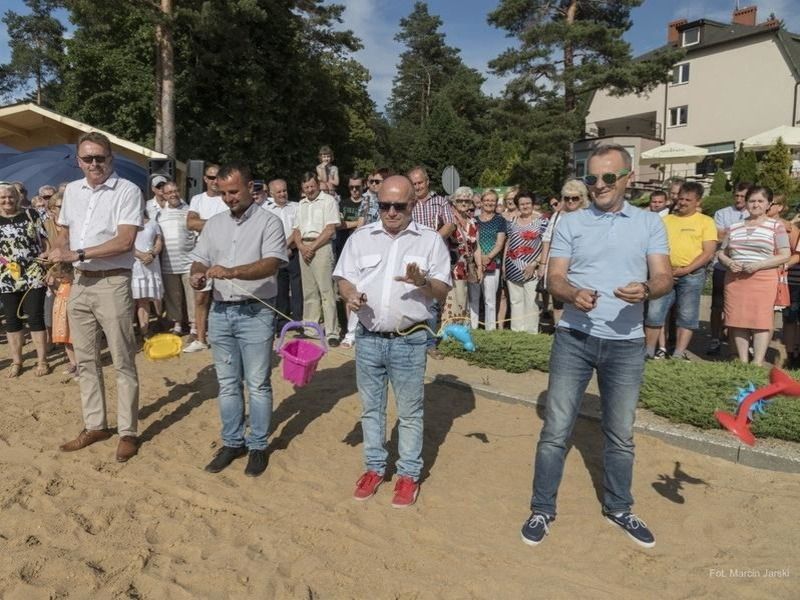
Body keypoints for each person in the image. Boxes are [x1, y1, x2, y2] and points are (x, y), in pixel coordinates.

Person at [521, 144, 672, 549]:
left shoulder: (649, 223)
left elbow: (664, 277)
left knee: (621, 434)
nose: (599, 185)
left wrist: (646, 288)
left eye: (608, 177)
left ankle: (620, 507)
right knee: (555, 430)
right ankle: (541, 508)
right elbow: (554, 278)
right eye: (591, 178)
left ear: (628, 177)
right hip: (574, 338)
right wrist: (572, 294)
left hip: (625, 344)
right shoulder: (572, 222)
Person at [333, 175, 452, 508]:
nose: (391, 212)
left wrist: (424, 282)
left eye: (399, 206)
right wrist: (350, 294)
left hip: (410, 340)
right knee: (371, 411)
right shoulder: (361, 238)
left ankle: (408, 475)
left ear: (412, 204)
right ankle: (374, 468)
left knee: (410, 413)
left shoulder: (429, 241)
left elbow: (442, 290)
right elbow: (343, 277)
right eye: (385, 205)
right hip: (369, 338)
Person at [49, 131, 143, 462]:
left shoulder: (128, 190)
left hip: (113, 281)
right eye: (87, 158)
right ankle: (95, 425)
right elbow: (64, 232)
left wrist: (79, 254)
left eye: (99, 157)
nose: (94, 164)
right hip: (79, 283)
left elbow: (125, 241)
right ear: (78, 161)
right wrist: (58, 252)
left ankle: (128, 431)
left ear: (110, 158)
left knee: (122, 359)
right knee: (85, 360)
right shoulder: (72, 191)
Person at [190, 163, 287, 477]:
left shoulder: (269, 222)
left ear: (250, 188)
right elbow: (200, 260)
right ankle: (233, 441)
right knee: (228, 384)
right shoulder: (214, 224)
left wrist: (231, 271)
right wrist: (196, 277)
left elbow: (272, 263)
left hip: (255, 312)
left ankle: (257, 444)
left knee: (257, 383)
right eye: (223, 193)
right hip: (220, 311)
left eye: (234, 192)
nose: (228, 198)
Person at [717, 186, 790, 366]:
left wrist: (759, 265)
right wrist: (728, 262)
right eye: (752, 201)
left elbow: (785, 254)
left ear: (768, 204)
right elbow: (721, 252)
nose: (755, 204)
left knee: (761, 321)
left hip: (763, 279)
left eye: (760, 201)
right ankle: (742, 361)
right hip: (735, 280)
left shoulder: (776, 226)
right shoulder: (734, 227)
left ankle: (757, 363)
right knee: (737, 320)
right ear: (746, 203)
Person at [644, 182, 717, 360]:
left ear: (697, 201)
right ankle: (649, 351)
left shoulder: (706, 222)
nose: (682, 202)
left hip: (692, 275)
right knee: (655, 313)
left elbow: (708, 252)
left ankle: (678, 354)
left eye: (687, 199)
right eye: (681, 198)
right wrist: (667, 270)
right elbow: (654, 247)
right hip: (664, 274)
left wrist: (685, 270)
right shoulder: (665, 220)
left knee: (687, 315)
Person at [0, 182, 49, 378]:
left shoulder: (31, 214)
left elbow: (45, 241)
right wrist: (5, 262)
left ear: (17, 197)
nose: (7, 200)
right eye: (3, 197)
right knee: (12, 320)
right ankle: (17, 361)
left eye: (10, 196)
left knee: (35, 317)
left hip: (33, 272)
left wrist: (46, 258)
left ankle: (42, 360)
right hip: (6, 276)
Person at [408, 166, 454, 358]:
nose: (417, 186)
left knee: (433, 302)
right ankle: (410, 340)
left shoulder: (440, 202)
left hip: (434, 256)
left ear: (427, 182)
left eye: (420, 182)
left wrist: (432, 239)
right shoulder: (407, 203)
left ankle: (430, 343)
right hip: (411, 255)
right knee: (410, 298)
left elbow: (450, 225)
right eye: (414, 183)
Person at [293, 172, 341, 345]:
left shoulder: (328, 201)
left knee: (327, 291)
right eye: (306, 187)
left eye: (312, 186)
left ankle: (332, 332)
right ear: (302, 188)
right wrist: (301, 247)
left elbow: (330, 229)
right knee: (309, 291)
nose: (309, 190)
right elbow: (296, 230)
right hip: (303, 247)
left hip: (321, 247)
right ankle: (311, 329)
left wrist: (311, 248)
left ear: (317, 184)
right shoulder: (301, 204)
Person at [186, 163, 226, 352]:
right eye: (210, 177)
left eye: (217, 177)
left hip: (226, 252)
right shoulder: (197, 199)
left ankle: (224, 337)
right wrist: (218, 224)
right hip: (204, 252)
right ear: (205, 179)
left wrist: (205, 224)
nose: (214, 181)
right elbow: (191, 223)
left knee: (225, 296)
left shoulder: (227, 198)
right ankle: (201, 339)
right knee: (201, 296)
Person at [538, 180, 590, 325]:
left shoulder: (589, 216)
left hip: (579, 265)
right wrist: (542, 264)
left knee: (579, 300)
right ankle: (559, 331)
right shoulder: (557, 216)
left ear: (582, 198)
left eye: (575, 198)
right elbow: (547, 239)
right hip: (557, 263)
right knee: (558, 302)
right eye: (567, 198)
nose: (570, 201)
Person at [708, 182, 751, 355]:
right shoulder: (722, 213)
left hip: (745, 267)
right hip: (722, 266)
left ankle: (743, 341)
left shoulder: (754, 213)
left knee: (744, 305)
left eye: (743, 196)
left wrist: (730, 233)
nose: (739, 199)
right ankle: (715, 338)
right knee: (717, 305)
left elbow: (727, 235)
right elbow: (718, 236)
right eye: (737, 195)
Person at [503, 191, 549, 333]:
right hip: (512, 267)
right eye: (522, 204)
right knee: (515, 302)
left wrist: (536, 263)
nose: (525, 206)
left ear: (533, 203)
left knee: (531, 303)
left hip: (532, 268)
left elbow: (546, 245)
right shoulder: (512, 222)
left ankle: (531, 334)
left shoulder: (542, 221)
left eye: (528, 203)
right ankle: (517, 333)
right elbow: (508, 242)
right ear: (518, 205)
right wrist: (505, 264)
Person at [44, 192, 77, 380]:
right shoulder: (46, 228)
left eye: (65, 206)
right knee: (61, 325)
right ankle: (73, 362)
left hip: (74, 281)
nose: (62, 210)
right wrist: (50, 273)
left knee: (76, 326)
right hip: (55, 282)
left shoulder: (76, 227)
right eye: (58, 206)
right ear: (51, 209)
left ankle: (82, 364)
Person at [157, 180, 196, 335]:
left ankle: (194, 325)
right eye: (169, 192)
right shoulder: (159, 214)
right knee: (173, 295)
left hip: (189, 261)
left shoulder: (190, 211)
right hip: (168, 262)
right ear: (164, 195)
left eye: (176, 191)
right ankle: (177, 324)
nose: (173, 194)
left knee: (192, 295)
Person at [265, 178, 302, 337]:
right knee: (279, 289)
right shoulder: (266, 209)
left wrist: (286, 246)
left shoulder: (296, 207)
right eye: (279, 192)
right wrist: (280, 250)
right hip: (276, 256)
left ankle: (299, 322)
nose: (282, 194)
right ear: (271, 193)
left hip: (293, 252)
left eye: (284, 190)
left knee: (297, 288)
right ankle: (281, 322)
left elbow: (298, 229)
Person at [446, 186, 482, 321]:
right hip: (453, 265)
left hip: (467, 266)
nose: (463, 203)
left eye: (467, 201)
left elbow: (476, 246)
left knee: (463, 299)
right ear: (454, 201)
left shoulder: (472, 221)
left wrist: (479, 267)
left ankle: (462, 328)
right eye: (460, 200)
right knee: (455, 300)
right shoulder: (449, 218)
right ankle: (452, 330)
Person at [338, 174, 366, 348]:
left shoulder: (368, 202)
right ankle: (350, 331)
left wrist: (354, 224)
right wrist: (359, 223)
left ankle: (359, 330)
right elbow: (339, 225)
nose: (354, 190)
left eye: (357, 187)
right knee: (347, 290)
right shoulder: (343, 203)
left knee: (362, 290)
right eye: (351, 187)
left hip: (364, 251)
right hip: (345, 249)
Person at [475, 189, 507, 330]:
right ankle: (473, 327)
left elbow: (500, 243)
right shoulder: (474, 220)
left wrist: (487, 257)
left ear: (496, 203)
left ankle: (490, 330)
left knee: (490, 300)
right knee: (474, 299)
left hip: (493, 263)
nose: (489, 203)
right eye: (486, 200)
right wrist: (479, 260)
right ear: (481, 202)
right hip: (475, 264)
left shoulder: (500, 220)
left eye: (492, 200)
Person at [132, 209, 164, 339]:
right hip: (135, 265)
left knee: (147, 298)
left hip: (151, 265)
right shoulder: (128, 223)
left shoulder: (153, 223)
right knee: (134, 300)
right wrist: (140, 255)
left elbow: (158, 241)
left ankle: (148, 329)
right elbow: (126, 243)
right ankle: (135, 331)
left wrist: (152, 254)